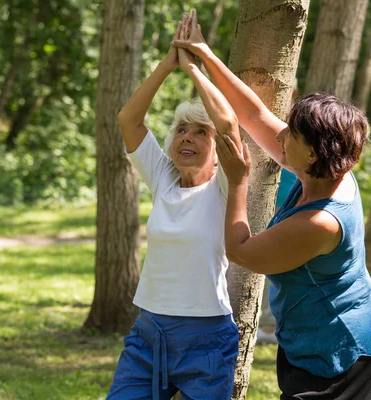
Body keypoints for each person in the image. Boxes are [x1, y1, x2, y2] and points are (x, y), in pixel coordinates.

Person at [174, 10, 371, 398]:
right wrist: (204, 55)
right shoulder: (326, 171)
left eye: (291, 135)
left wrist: (238, 180)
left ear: (314, 152)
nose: (280, 138)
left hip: (340, 359)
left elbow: (242, 252)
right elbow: (254, 114)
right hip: (312, 344)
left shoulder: (321, 222)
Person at [107, 14, 240, 400]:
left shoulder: (223, 185)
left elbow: (230, 127)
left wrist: (196, 69)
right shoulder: (162, 177)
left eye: (201, 132)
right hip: (149, 331)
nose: (188, 137)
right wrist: (168, 65)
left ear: (217, 153)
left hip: (207, 338)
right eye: (182, 129)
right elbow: (128, 120)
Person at [257, 80, 299, 345]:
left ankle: (272, 325)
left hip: (289, 205)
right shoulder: (263, 122)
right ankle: (267, 323)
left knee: (278, 264)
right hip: (265, 203)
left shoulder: (299, 126)